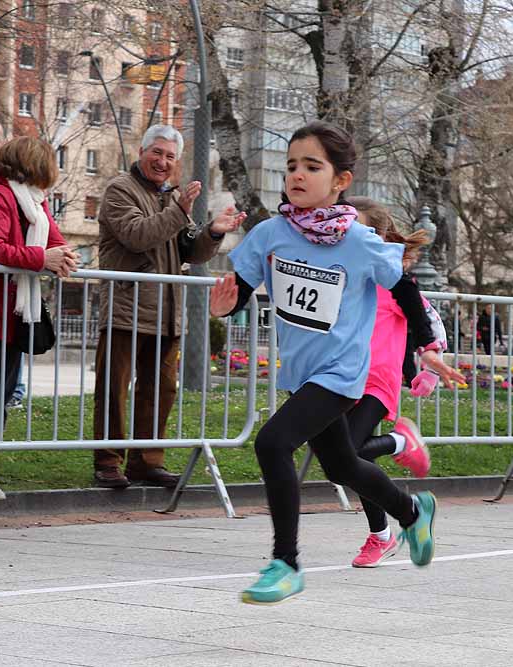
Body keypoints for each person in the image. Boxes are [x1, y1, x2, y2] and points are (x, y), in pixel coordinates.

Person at [211, 121, 438, 605]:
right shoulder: (271, 233)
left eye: (312, 166)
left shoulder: (357, 240)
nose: (297, 174)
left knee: (273, 443)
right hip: (301, 373)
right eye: (291, 165)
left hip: (342, 374)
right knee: (341, 466)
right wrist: (224, 307)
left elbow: (405, 290)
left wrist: (427, 346)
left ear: (340, 181)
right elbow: (241, 292)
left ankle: (285, 564)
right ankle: (413, 513)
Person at [93, 124, 246, 489]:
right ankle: (108, 462)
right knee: (114, 389)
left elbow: (189, 251)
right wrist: (178, 209)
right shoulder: (120, 189)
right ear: (141, 152)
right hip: (125, 308)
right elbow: (137, 235)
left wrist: (213, 231)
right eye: (156, 153)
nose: (162, 162)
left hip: (165, 312)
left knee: (160, 390)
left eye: (170, 157)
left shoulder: (172, 197)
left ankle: (147, 461)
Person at [0, 137, 77, 500]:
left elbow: (54, 240)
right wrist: (43, 259)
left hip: (14, 316)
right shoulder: (0, 194)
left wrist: (65, 255)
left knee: (1, 397)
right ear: (34, 164)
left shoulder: (34, 201)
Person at [345, 197, 464, 568]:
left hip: (377, 381)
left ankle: (400, 444)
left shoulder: (391, 278)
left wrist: (430, 364)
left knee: (352, 453)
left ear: (376, 236)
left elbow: (430, 320)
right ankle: (382, 532)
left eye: (356, 225)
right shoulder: (341, 272)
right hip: (340, 378)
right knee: (348, 458)